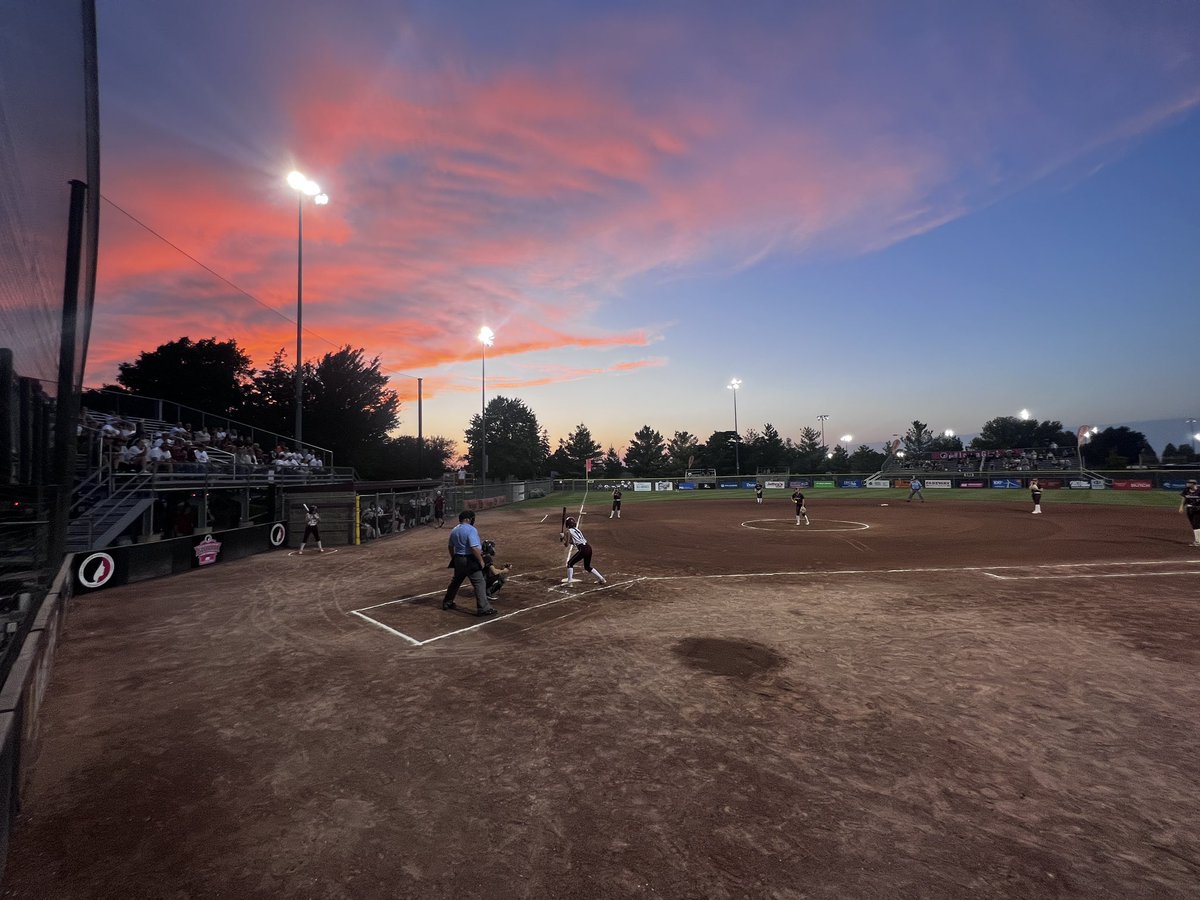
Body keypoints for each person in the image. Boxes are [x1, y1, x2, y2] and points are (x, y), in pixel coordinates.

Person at [442, 510, 496, 615]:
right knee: (479, 582)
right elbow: (474, 548)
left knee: (456, 582)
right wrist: (481, 560)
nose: (472, 520)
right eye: (471, 518)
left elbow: (450, 546)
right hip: (469, 560)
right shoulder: (471, 530)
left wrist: (454, 558)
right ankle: (483, 608)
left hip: (458, 558)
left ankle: (447, 602)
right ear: (467, 519)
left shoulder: (454, 530)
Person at [561, 516, 606, 585]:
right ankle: (601, 579)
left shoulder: (568, 531)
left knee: (570, 563)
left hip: (583, 549)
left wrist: (563, 538)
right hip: (588, 548)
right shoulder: (577, 530)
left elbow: (566, 544)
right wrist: (564, 538)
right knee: (587, 567)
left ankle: (569, 583)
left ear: (567, 524)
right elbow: (573, 542)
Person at [1179, 478, 1200, 547]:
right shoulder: (1186, 490)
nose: (1187, 484)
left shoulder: (1199, 490)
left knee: (1196, 524)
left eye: (1189, 483)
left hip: (1198, 510)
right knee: (1194, 524)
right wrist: (1181, 506)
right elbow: (1184, 498)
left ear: (1193, 484)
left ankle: (1197, 541)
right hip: (1189, 509)